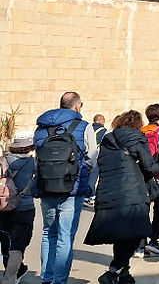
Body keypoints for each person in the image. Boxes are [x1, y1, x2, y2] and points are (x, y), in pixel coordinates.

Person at [84, 110, 159, 284]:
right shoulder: (136, 138)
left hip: (107, 192)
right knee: (136, 233)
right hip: (131, 192)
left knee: (122, 234)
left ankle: (124, 273)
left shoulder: (107, 139)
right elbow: (150, 166)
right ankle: (114, 271)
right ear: (137, 124)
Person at [33, 91, 97, 284]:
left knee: (48, 233)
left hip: (46, 186)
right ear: (77, 106)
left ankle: (46, 277)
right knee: (65, 236)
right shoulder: (84, 127)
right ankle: (59, 281)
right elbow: (92, 158)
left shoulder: (42, 127)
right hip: (72, 189)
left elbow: (38, 156)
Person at [0, 131, 36, 284]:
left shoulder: (3, 160)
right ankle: (10, 278)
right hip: (24, 208)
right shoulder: (32, 163)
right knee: (18, 244)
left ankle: (14, 270)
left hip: (2, 207)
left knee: (5, 240)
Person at [138, 104, 159, 258]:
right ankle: (154, 241)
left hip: (143, 175)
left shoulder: (141, 131)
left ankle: (141, 243)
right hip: (158, 175)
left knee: (144, 209)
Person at [84, 114, 107, 208]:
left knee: (86, 177)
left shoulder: (87, 129)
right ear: (101, 120)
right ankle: (90, 197)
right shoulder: (104, 131)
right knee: (93, 178)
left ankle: (85, 196)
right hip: (96, 157)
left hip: (85, 156)